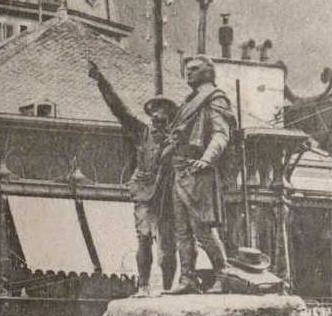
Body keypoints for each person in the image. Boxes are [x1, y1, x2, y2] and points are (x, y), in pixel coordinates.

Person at [88, 59, 179, 296]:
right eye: (154, 118)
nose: (157, 122)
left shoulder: (177, 140)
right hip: (145, 192)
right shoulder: (142, 133)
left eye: (162, 119)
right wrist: (102, 82)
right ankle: (144, 285)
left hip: (168, 195)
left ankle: (169, 288)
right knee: (144, 238)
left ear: (170, 119)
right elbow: (120, 110)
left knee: (168, 244)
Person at [169, 54, 235, 294]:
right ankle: (187, 278)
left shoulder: (215, 98)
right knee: (181, 230)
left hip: (198, 171)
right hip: (179, 169)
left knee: (202, 229)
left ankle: (223, 274)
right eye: (187, 69)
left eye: (195, 69)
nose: (189, 73)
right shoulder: (190, 101)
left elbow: (221, 134)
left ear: (208, 72)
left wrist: (207, 158)